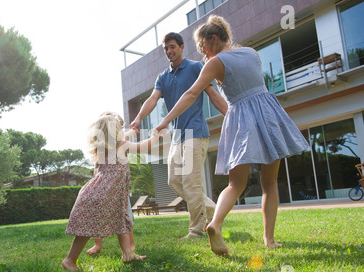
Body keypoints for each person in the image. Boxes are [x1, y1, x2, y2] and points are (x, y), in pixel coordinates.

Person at [154, 16, 309, 256]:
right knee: (269, 183)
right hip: (267, 114)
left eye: (203, 47)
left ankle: (215, 223)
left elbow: (191, 94)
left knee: (235, 184)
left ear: (213, 39)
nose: (202, 52)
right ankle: (269, 240)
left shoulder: (215, 63)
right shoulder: (252, 53)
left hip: (239, 119)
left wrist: (165, 120)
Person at [130, 32, 228, 239]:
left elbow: (212, 94)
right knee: (174, 180)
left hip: (195, 132)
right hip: (176, 136)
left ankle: (197, 230)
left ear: (182, 47)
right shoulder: (163, 77)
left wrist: (230, 114)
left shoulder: (195, 68)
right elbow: (152, 99)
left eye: (172, 47)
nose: (169, 51)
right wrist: (138, 118)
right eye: (166, 49)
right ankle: (214, 212)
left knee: (191, 181)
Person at [62, 112, 164, 271]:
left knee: (120, 220)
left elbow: (124, 139)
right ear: (114, 132)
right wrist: (155, 136)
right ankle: (69, 260)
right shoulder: (121, 145)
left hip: (99, 193)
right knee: (98, 227)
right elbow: (146, 147)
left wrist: (130, 133)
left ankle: (128, 254)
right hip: (108, 194)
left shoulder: (101, 149)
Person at [86, 112, 137, 256]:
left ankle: (130, 244)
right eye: (119, 128)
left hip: (119, 191)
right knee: (99, 217)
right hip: (103, 190)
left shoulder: (117, 144)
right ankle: (98, 244)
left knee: (126, 217)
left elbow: (123, 137)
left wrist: (132, 131)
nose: (122, 131)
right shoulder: (102, 148)